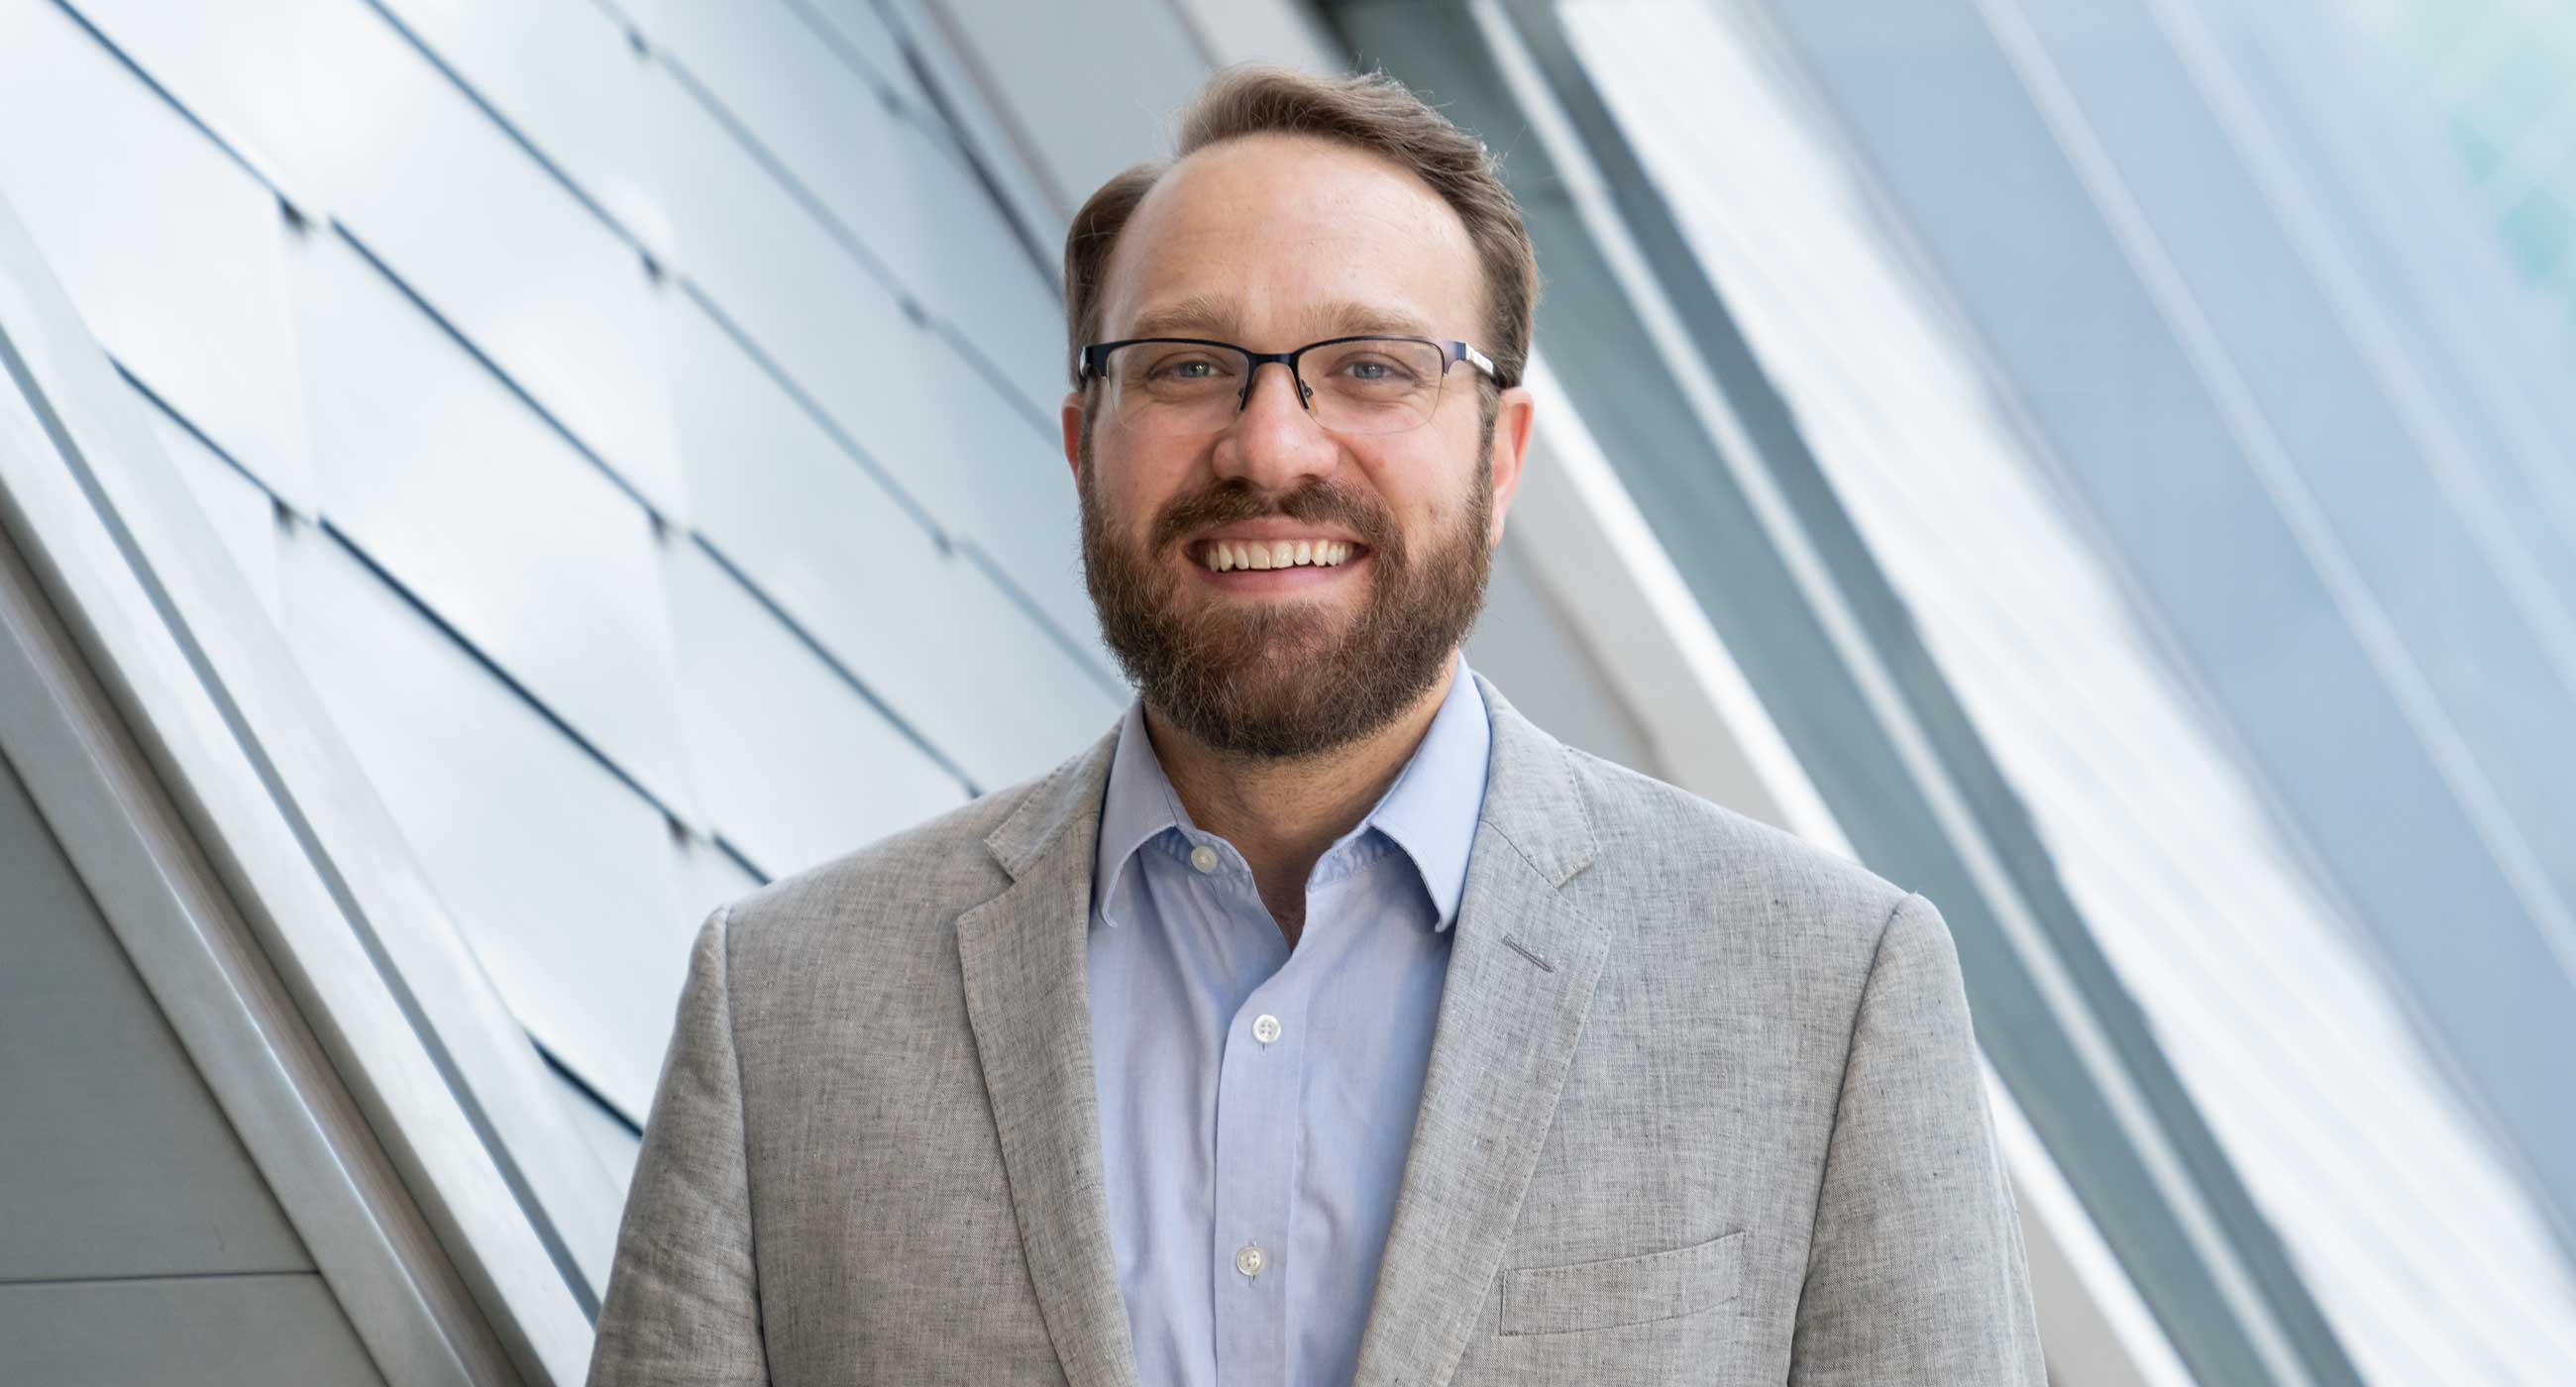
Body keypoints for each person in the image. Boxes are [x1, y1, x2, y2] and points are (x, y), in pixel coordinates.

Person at [587, 61, 2046, 1387]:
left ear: (1501, 452)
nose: (1270, 445)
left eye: (1371, 366)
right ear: (1085, 440)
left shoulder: (1828, 997)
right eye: (1185, 365)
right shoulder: (781, 1010)